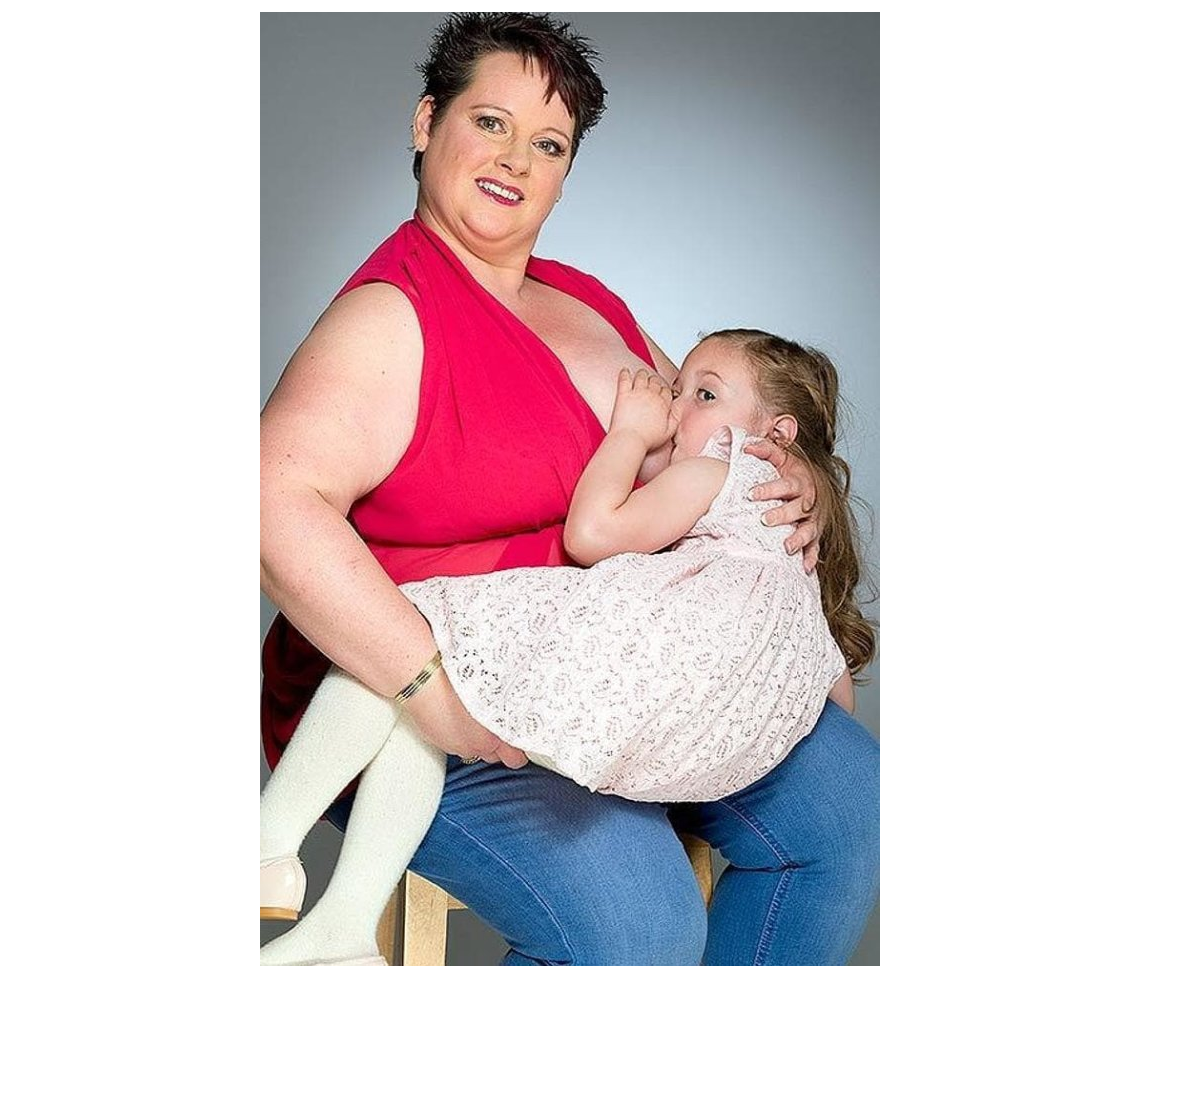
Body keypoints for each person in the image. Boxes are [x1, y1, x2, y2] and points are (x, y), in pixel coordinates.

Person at [261, 13, 879, 965]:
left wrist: (790, 477)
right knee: (641, 922)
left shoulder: (585, 298)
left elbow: (700, 437)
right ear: (427, 122)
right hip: (436, 682)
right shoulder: (389, 318)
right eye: (490, 122)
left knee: (852, 811)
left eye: (548, 144)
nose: (515, 159)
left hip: (615, 664)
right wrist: (426, 687)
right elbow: (273, 505)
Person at [261, 334, 874, 965]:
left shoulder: (711, 470)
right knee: (414, 681)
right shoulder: (789, 538)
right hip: (693, 734)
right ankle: (333, 922)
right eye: (678, 389)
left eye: (703, 395)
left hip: (604, 682)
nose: (674, 405)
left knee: (419, 633)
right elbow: (831, 686)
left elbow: (592, 533)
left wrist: (629, 434)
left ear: (778, 434)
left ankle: (280, 857)